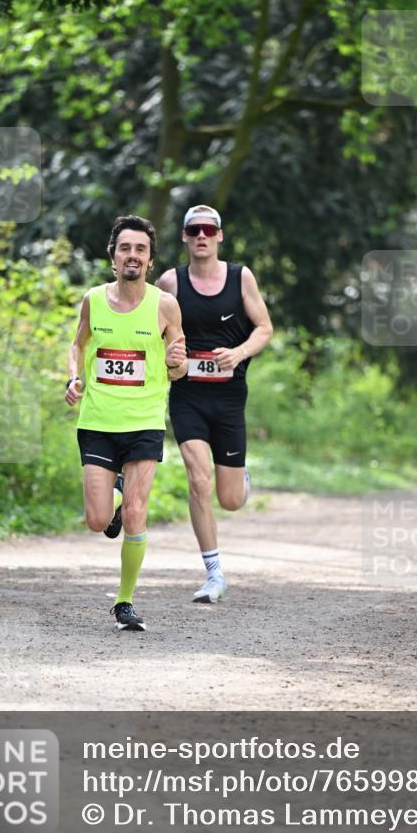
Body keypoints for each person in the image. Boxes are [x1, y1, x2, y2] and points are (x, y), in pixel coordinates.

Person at [65, 215, 187, 631]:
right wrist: (73, 377)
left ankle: (124, 602)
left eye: (140, 249)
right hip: (98, 420)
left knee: (136, 511)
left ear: (150, 260)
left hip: (144, 422)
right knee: (98, 521)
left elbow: (178, 364)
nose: (132, 256)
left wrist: (177, 363)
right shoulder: (93, 301)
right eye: (125, 249)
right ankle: (113, 493)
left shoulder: (165, 305)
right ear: (113, 257)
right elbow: (78, 345)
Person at [157, 205, 273, 603]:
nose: (202, 236)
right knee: (197, 477)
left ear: (220, 236)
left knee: (230, 499)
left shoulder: (241, 277)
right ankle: (214, 573)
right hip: (188, 394)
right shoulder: (170, 282)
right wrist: (167, 357)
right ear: (185, 237)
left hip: (228, 398)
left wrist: (238, 353)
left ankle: (242, 479)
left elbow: (264, 327)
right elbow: (150, 332)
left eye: (209, 229)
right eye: (194, 230)